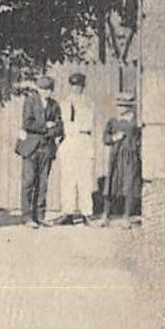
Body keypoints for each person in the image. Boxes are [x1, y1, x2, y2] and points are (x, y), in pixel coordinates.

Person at [15, 74, 63, 228]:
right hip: (31, 148)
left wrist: (50, 130)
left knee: (43, 183)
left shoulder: (55, 105)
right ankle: (27, 217)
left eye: (48, 90)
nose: (45, 92)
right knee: (29, 182)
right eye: (42, 89)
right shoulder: (30, 101)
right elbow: (27, 123)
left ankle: (40, 215)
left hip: (47, 148)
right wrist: (46, 126)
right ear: (38, 90)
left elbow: (60, 127)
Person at [57, 72, 98, 224]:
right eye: (73, 86)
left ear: (83, 87)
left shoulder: (88, 103)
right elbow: (61, 123)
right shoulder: (64, 103)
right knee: (68, 178)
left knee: (85, 178)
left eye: (79, 86)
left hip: (83, 139)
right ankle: (67, 212)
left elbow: (88, 123)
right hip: (69, 140)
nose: (76, 89)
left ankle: (87, 212)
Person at [102, 92, 141, 226]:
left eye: (125, 106)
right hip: (116, 154)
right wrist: (114, 138)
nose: (121, 108)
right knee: (111, 183)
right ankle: (105, 215)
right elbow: (105, 139)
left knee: (128, 185)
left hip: (130, 155)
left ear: (130, 107)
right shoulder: (113, 120)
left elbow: (140, 138)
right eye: (119, 105)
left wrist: (137, 149)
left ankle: (126, 216)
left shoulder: (136, 120)